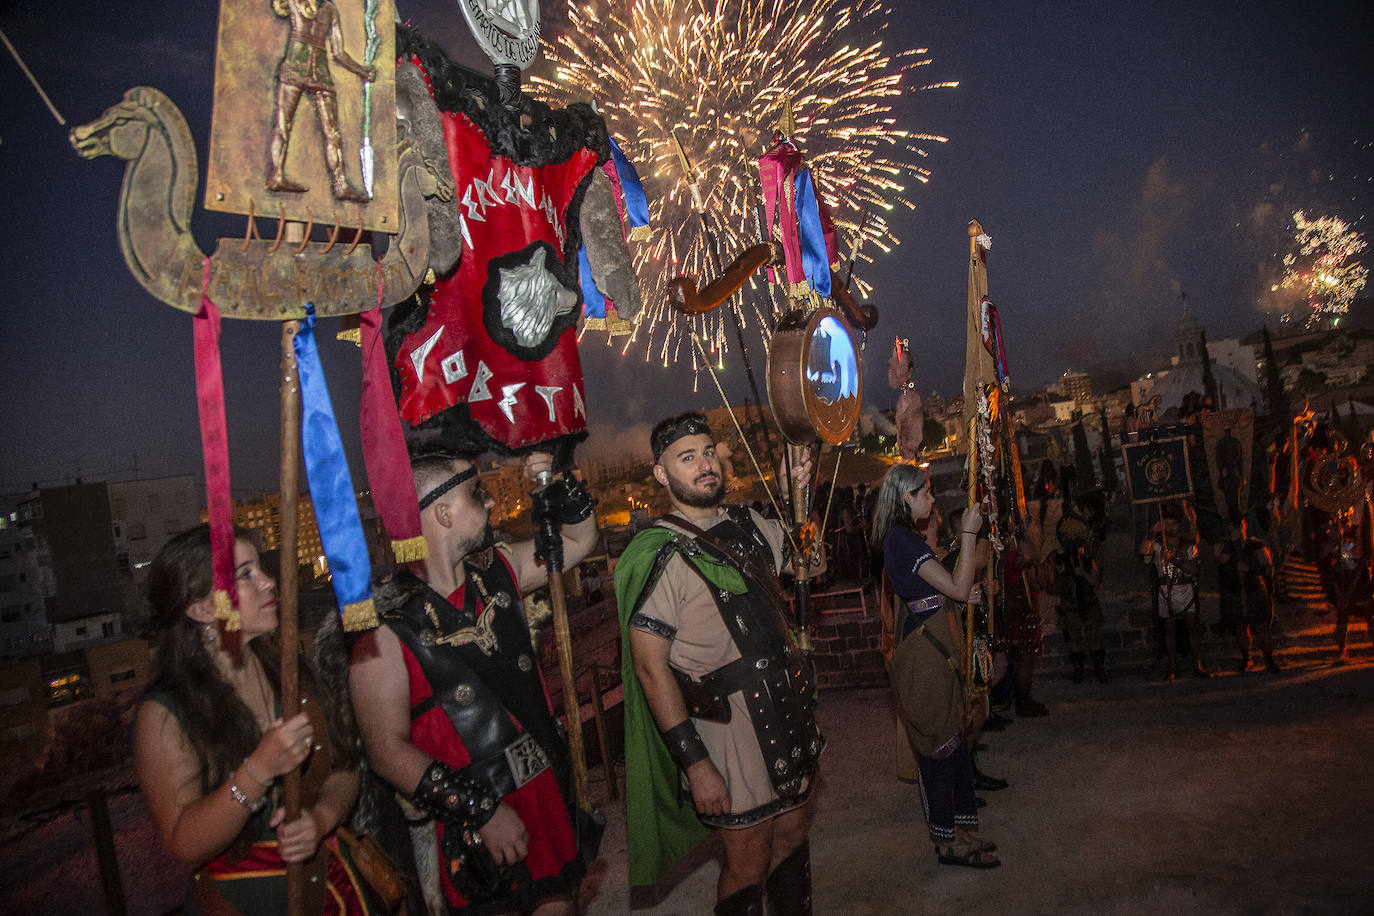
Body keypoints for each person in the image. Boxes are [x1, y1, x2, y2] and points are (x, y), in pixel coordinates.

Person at [349, 446, 600, 915]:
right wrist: (480, 810)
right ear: (442, 512)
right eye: (475, 493)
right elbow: (385, 751)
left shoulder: (499, 569)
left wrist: (556, 480)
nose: (488, 503)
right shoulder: (383, 626)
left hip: (544, 791)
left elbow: (580, 541)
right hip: (473, 827)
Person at [615, 412, 823, 915]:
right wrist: (695, 764)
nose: (705, 465)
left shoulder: (750, 525)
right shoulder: (658, 552)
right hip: (728, 730)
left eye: (709, 452)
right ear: (662, 474)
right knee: (747, 859)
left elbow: (809, 564)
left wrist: (803, 515)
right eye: (687, 458)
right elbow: (650, 669)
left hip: (787, 705)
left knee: (793, 836)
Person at [134, 525, 377, 914]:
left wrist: (320, 818)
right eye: (245, 575)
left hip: (329, 894)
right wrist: (259, 770)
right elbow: (183, 842)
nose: (268, 583)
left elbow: (343, 768)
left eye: (260, 569)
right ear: (202, 609)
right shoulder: (164, 714)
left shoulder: (288, 673)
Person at [871, 462, 999, 869]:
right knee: (938, 749)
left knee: (954, 743)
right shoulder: (903, 542)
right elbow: (956, 588)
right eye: (925, 493)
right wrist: (968, 532)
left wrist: (966, 592)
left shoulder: (905, 539)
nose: (931, 499)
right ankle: (947, 842)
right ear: (906, 499)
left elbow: (944, 590)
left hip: (935, 651)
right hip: (925, 658)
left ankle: (961, 831)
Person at [267, 0, 377, 201]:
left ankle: (339, 184)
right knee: (291, 127)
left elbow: (338, 53)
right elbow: (339, 53)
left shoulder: (329, 9)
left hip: (310, 70)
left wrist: (362, 71)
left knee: (326, 132)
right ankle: (278, 175)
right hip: (304, 69)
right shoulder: (304, 4)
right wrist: (362, 71)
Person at [1141, 506, 1210, 680]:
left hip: (1185, 590)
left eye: (1173, 524)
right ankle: (1172, 667)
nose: (1170, 528)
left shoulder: (1188, 545)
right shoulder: (1156, 545)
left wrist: (1173, 559)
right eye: (1167, 524)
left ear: (1179, 526)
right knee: (1169, 631)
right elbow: (1143, 551)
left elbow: (1193, 569)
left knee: (1192, 629)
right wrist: (1152, 532)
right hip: (1166, 591)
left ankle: (1197, 665)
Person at [1214, 521, 1281, 673]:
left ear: (1244, 526)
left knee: (1261, 626)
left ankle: (1269, 660)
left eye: (1238, 526)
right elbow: (1219, 562)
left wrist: (1251, 568)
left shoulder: (1256, 545)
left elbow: (1267, 568)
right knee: (1240, 627)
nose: (1236, 530)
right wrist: (1232, 551)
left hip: (1254, 590)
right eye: (1232, 527)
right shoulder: (1224, 546)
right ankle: (1247, 658)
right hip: (1234, 592)